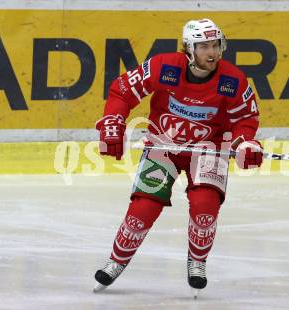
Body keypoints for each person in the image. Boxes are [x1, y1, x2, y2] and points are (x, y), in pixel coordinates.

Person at [93, 18, 263, 295]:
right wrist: (113, 122)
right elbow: (122, 90)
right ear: (189, 48)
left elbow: (246, 118)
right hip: (163, 144)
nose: (212, 52)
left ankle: (197, 260)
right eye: (204, 46)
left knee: (205, 206)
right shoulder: (164, 66)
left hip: (209, 149)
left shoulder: (232, 80)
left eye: (216, 45)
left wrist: (246, 143)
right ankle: (116, 261)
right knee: (143, 208)